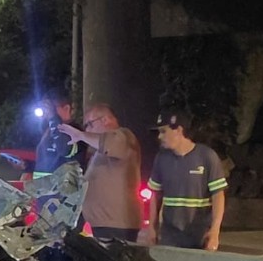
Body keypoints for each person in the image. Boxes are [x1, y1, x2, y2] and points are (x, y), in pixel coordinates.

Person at [138, 106, 227, 250]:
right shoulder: (161, 158)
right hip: (170, 235)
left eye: (163, 131)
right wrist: (152, 229)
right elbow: (155, 195)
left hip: (199, 234)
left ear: (178, 130)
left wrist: (215, 231)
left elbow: (218, 196)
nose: (159, 137)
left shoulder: (207, 156)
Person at [57, 103, 142, 242]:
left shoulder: (124, 136)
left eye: (89, 124)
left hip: (116, 226)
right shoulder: (100, 150)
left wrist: (81, 135)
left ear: (105, 120)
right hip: (104, 225)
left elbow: (108, 143)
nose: (88, 130)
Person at [33, 99, 78, 179]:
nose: (47, 112)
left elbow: (64, 149)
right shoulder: (50, 131)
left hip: (61, 189)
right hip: (43, 189)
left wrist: (53, 117)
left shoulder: (74, 131)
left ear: (66, 108)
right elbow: (47, 162)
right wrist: (26, 166)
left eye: (49, 108)